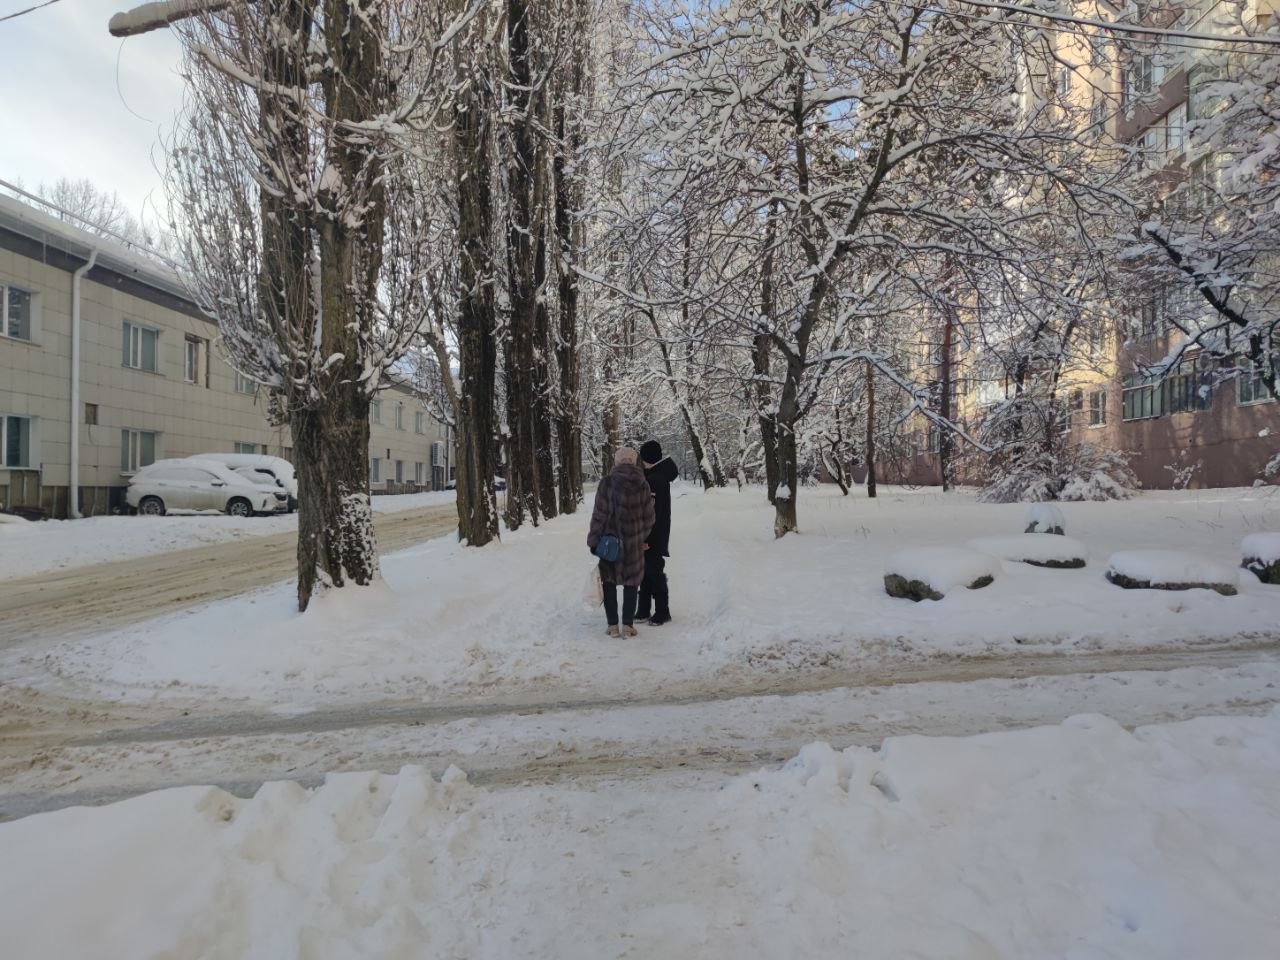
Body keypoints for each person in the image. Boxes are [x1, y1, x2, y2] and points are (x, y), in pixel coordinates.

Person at [587, 447, 655, 637]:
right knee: (631, 583)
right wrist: (640, 536)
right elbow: (650, 518)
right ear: (634, 461)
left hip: (610, 544)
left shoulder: (607, 483)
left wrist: (594, 540)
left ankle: (612, 627)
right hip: (634, 545)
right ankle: (627, 625)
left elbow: (599, 515)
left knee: (608, 582)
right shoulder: (643, 484)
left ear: (616, 461)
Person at [635, 439, 679, 625]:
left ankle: (663, 611)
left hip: (652, 536)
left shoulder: (655, 480)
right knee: (645, 573)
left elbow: (651, 513)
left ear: (647, 458)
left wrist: (646, 539)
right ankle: (643, 610)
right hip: (653, 534)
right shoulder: (655, 477)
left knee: (654, 573)